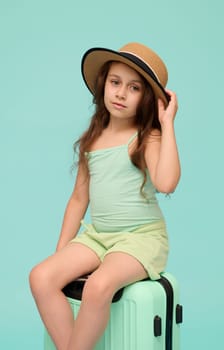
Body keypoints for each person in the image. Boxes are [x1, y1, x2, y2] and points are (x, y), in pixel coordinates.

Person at [29, 42, 181, 350]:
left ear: (147, 98)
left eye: (134, 87)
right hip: (98, 237)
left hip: (140, 239)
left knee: (98, 286)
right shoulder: (94, 137)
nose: (121, 93)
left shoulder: (147, 137)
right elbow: (77, 200)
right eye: (115, 83)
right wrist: (62, 252)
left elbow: (166, 183)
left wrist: (167, 125)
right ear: (104, 86)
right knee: (41, 277)